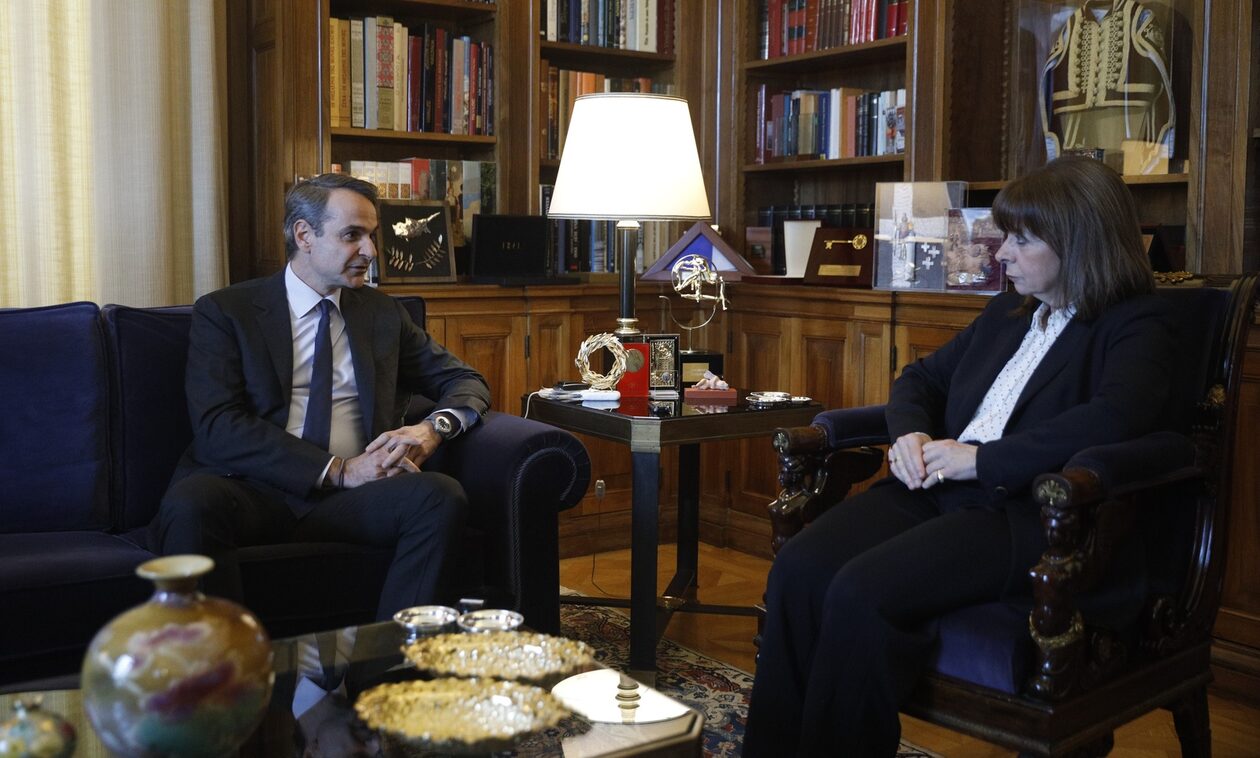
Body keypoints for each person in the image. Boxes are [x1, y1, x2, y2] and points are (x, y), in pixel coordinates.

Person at [742, 156, 1178, 757]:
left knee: (860, 592)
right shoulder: (1008, 312)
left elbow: (1114, 419)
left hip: (1022, 513)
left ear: (1079, 243)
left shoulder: (1138, 324)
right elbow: (920, 379)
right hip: (934, 488)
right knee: (797, 568)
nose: (1002, 253)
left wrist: (982, 461)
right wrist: (911, 436)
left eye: (1021, 240)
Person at [154, 173, 491, 620]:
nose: (370, 251)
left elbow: (464, 379)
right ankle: (222, 660)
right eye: (353, 235)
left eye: (372, 236)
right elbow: (218, 425)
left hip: (352, 499)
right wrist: (339, 470)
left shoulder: (382, 314)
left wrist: (434, 428)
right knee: (191, 504)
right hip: (252, 488)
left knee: (439, 495)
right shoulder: (227, 312)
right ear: (304, 235)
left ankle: (394, 656)